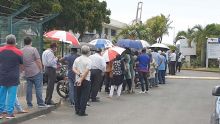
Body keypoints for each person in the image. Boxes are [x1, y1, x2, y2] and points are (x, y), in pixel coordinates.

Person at [0, 34, 23, 119]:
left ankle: (0, 113)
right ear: (15, 42)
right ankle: (10, 113)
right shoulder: (19, 52)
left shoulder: (0, 50)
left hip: (1, 76)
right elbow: (21, 65)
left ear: (6, 41)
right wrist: (19, 72)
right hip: (14, 77)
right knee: (11, 96)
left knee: (1, 95)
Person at [21, 37, 47, 108]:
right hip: (36, 71)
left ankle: (29, 104)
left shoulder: (21, 51)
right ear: (31, 42)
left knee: (29, 88)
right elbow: (38, 60)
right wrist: (41, 69)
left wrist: (23, 70)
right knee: (38, 88)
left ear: (24, 42)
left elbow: (21, 63)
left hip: (27, 72)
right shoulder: (33, 49)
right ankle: (40, 104)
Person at [72, 45, 91, 116]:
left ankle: (77, 110)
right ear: (88, 52)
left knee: (77, 95)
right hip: (86, 80)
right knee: (84, 96)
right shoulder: (89, 60)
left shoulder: (77, 59)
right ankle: (82, 112)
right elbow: (86, 72)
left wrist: (79, 75)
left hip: (77, 79)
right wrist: (81, 79)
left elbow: (73, 69)